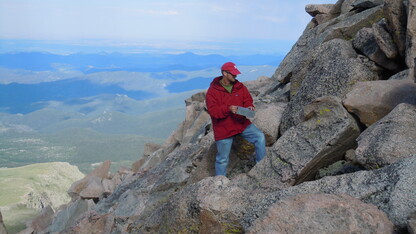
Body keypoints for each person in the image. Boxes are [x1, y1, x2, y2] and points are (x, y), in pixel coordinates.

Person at [205, 62, 266, 176]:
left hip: (241, 124)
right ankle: (219, 183)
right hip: (224, 129)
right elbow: (214, 112)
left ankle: (261, 168)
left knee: (260, 136)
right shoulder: (212, 92)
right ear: (224, 73)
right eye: (233, 74)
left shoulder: (240, 87)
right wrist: (228, 109)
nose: (235, 76)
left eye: (236, 73)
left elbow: (247, 99)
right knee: (222, 160)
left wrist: (249, 106)